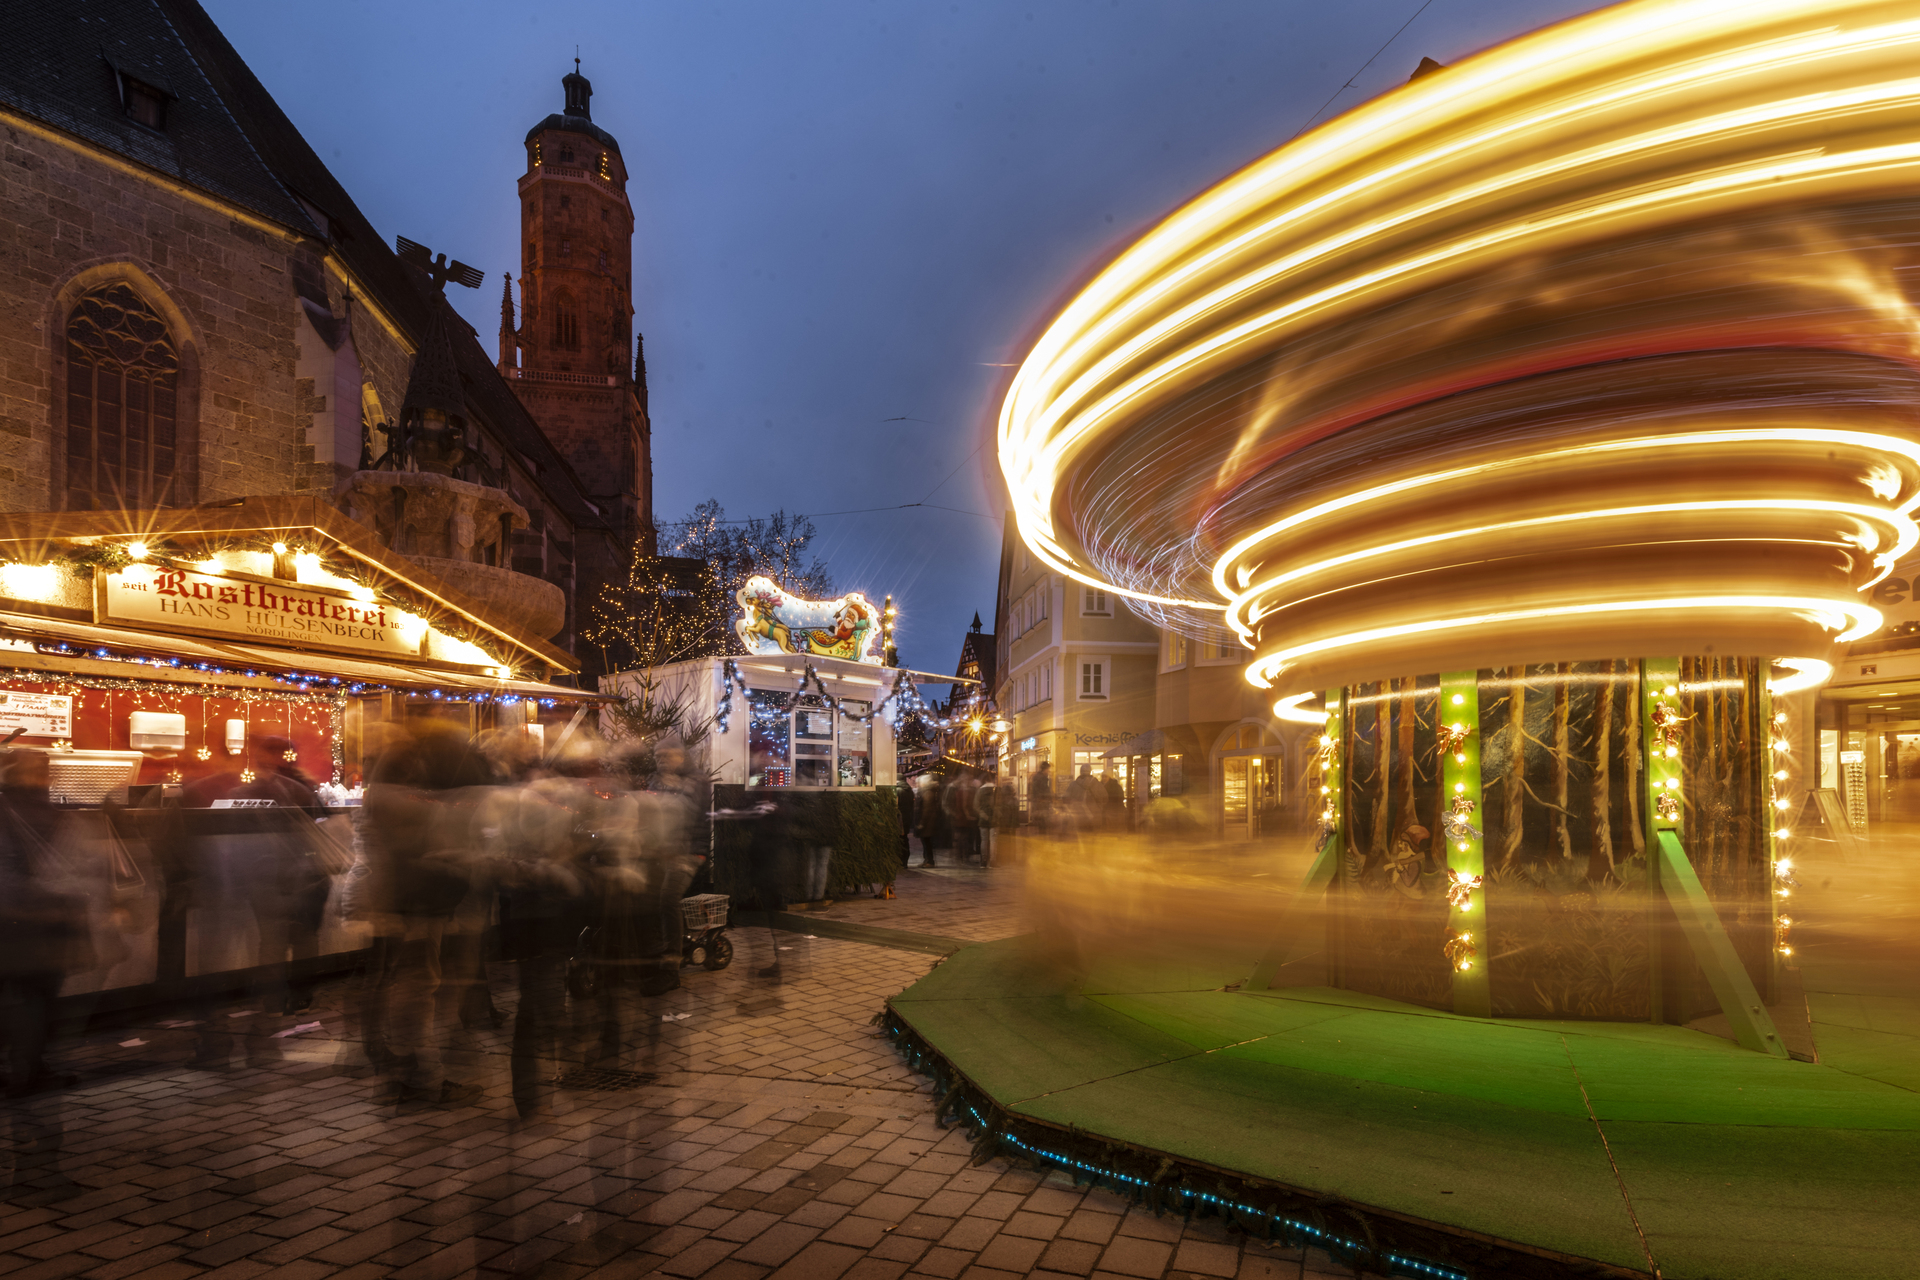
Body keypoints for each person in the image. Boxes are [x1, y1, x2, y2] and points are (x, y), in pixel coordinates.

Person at [1067, 764, 1105, 832]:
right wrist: (1099, 807)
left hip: (1078, 816)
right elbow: (1105, 797)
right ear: (1090, 771)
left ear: (1081, 771)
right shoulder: (1098, 785)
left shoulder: (1073, 785)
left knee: (1081, 838)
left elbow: (1066, 798)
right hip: (1094, 815)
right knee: (1093, 838)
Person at [1028, 761, 1053, 835]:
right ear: (1044, 769)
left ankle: (1042, 835)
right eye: (1048, 769)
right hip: (1041, 802)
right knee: (1043, 819)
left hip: (1039, 801)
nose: (1048, 771)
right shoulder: (1041, 778)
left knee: (1042, 820)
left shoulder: (1038, 777)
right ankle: (1042, 836)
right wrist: (1048, 798)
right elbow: (1043, 790)